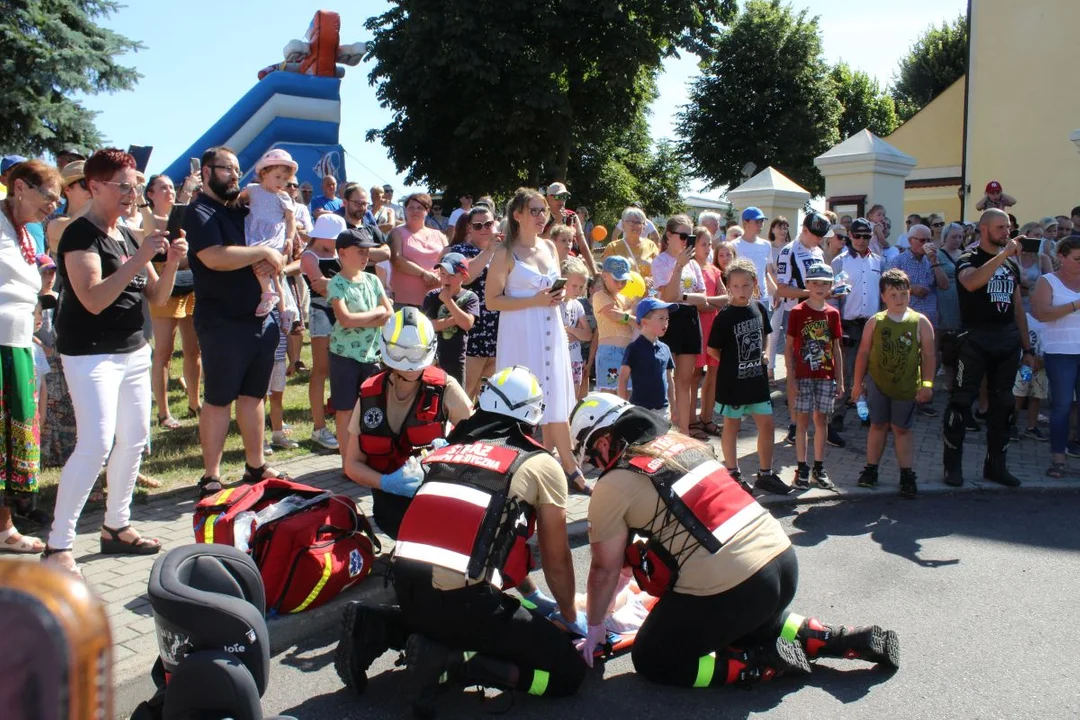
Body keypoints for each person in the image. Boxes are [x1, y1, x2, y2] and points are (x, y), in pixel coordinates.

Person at [570, 393, 900, 685]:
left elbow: (604, 571)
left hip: (736, 586)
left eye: (593, 458)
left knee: (652, 658)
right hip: (782, 563)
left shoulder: (613, 485)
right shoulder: (685, 444)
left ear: (602, 441)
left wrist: (596, 625)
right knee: (741, 621)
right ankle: (835, 638)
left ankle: (757, 665)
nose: (598, 466)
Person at [338, 366, 585, 717]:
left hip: (406, 589)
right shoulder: (540, 464)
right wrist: (569, 616)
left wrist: (529, 597)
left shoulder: (445, 449)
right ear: (533, 416)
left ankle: (376, 625)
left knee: (447, 614)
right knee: (568, 673)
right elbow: (556, 558)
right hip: (463, 604)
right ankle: (456, 663)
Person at [45, 148, 186, 575]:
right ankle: (58, 546)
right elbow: (92, 299)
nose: (132, 194)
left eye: (136, 186)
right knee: (95, 444)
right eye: (124, 186)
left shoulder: (126, 234)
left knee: (133, 439)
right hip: (90, 355)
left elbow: (158, 298)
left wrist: (173, 262)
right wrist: (142, 258)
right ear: (94, 186)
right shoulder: (79, 235)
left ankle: (116, 526)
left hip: (132, 350)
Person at [183, 146, 288, 499]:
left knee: (253, 395)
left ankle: (255, 465)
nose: (233, 174)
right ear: (206, 172)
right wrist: (262, 254)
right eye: (226, 168)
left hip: (261, 316)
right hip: (222, 321)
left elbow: (276, 240)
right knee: (218, 398)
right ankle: (211, 475)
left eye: (237, 169)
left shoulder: (244, 208)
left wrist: (279, 252)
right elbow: (213, 258)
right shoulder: (198, 211)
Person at [487, 188, 588, 494]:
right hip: (521, 332)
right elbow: (492, 301)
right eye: (534, 210)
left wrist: (557, 297)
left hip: (551, 327)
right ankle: (516, 471)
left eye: (544, 210)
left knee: (555, 398)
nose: (542, 216)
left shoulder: (548, 247)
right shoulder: (505, 253)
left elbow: (553, 289)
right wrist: (534, 299)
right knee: (522, 401)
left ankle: (570, 469)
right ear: (517, 215)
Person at [342, 308, 472, 538]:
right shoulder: (370, 394)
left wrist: (453, 454)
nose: (408, 364)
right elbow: (352, 465)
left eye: (416, 354)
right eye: (399, 355)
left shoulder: (446, 388)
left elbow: (479, 444)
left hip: (435, 496)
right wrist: (387, 482)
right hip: (389, 503)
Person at [943, 209, 1032, 488]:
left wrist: (1027, 348)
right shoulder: (968, 259)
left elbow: (1018, 308)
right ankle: (952, 467)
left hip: (1006, 341)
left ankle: (996, 465)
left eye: (1008, 227)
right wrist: (1004, 255)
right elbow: (971, 283)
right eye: (1000, 227)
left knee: (1004, 404)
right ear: (984, 229)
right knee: (960, 403)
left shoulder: (1012, 266)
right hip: (975, 339)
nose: (1007, 232)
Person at [0, 160, 61, 553]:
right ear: (20, 187)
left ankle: (4, 528)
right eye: (48, 196)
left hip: (19, 344)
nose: (53, 205)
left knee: (12, 440)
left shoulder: (27, 232)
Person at [850, 269, 936, 498]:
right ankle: (871, 469)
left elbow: (928, 355)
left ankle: (907, 474)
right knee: (877, 425)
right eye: (893, 295)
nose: (899, 299)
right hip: (878, 383)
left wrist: (927, 384)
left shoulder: (920, 322)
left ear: (910, 294)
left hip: (906, 386)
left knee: (901, 428)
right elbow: (863, 354)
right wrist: (857, 384)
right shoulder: (875, 322)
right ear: (883, 297)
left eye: (904, 294)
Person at [707, 259, 789, 495]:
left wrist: (763, 351)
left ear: (754, 284)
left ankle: (765, 474)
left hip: (757, 381)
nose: (741, 291)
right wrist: (731, 363)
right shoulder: (724, 316)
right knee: (732, 426)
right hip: (733, 383)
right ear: (729, 287)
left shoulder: (759, 309)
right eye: (736, 286)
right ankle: (732, 472)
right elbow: (713, 349)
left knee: (767, 424)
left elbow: (764, 334)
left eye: (745, 285)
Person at [139, 174, 201, 429]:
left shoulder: (184, 217)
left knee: (193, 350)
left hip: (188, 285)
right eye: (162, 188)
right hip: (163, 288)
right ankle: (163, 412)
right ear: (150, 194)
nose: (169, 191)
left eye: (170, 187)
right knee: (163, 352)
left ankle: (195, 403)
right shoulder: (147, 218)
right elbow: (151, 233)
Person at [328, 227, 394, 456]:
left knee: (371, 408)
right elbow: (345, 319)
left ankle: (367, 455)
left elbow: (389, 314)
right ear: (342, 253)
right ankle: (347, 460)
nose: (366, 257)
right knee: (345, 409)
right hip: (343, 356)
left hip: (372, 355)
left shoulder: (373, 280)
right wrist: (375, 315)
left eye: (368, 252)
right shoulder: (336, 283)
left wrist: (367, 318)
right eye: (360, 252)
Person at [785, 263, 844, 491]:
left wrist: (840, 379)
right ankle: (802, 467)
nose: (819, 287)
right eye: (815, 282)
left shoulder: (833, 314)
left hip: (826, 375)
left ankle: (819, 467)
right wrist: (790, 377)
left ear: (830, 286)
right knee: (802, 421)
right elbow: (789, 347)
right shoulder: (798, 312)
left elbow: (836, 348)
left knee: (822, 420)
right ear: (807, 284)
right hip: (803, 375)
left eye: (824, 283)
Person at [651, 214, 707, 434]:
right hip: (669, 319)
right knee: (666, 379)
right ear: (669, 236)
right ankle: (665, 430)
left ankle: (684, 431)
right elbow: (667, 297)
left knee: (686, 381)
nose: (686, 241)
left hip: (690, 321)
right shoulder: (661, 261)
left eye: (690, 236)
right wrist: (678, 269)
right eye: (683, 235)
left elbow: (703, 299)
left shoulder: (694, 263)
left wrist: (682, 297)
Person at [1031, 236, 1080, 478]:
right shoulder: (1048, 281)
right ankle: (1058, 459)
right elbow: (1041, 313)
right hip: (1061, 353)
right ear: (1061, 257)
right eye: (1077, 259)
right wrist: (1076, 305)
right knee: (1061, 406)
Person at [887, 223, 947, 417]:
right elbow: (888, 285)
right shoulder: (898, 261)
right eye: (922, 240)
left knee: (928, 359)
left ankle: (923, 399)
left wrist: (935, 261)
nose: (926, 244)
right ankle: (902, 399)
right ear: (911, 241)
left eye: (929, 240)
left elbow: (944, 284)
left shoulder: (933, 260)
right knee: (904, 357)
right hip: (905, 318)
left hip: (929, 318)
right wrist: (912, 289)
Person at [301, 213, 348, 451]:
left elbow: (333, 285)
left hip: (341, 313)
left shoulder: (336, 253)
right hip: (322, 314)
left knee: (340, 367)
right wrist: (347, 284)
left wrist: (340, 285)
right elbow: (319, 287)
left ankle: (341, 421)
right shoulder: (309, 256)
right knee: (320, 369)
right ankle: (319, 427)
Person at [447, 205, 501, 399]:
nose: (485, 228)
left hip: (498, 326)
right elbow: (466, 277)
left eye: (488, 223)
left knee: (488, 393)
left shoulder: (503, 251)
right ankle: (457, 428)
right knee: (465, 390)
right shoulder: (459, 250)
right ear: (469, 228)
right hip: (473, 327)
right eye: (478, 226)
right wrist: (488, 251)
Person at [238, 149, 297, 318]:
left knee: (273, 270)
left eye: (285, 179)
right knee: (264, 267)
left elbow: (290, 219)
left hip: (272, 235)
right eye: (277, 177)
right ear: (264, 173)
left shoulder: (283, 197)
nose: (281, 182)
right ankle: (280, 305)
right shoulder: (253, 189)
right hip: (256, 232)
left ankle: (274, 298)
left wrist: (290, 238)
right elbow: (238, 200)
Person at [421, 252, 478, 384]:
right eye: (443, 274)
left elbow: (467, 324)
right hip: (432, 357)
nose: (446, 280)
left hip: (456, 358)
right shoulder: (432, 296)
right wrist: (455, 319)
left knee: (455, 391)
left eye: (452, 276)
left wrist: (448, 301)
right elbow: (428, 326)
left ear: (464, 276)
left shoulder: (470, 298)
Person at [617, 298, 675, 421]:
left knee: (661, 440)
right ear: (644, 322)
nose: (665, 322)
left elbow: (669, 379)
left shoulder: (665, 348)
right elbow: (623, 378)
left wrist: (673, 407)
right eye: (661, 318)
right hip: (641, 410)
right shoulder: (633, 348)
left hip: (662, 410)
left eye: (667, 319)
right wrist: (622, 407)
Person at [692, 227, 724, 438]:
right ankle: (691, 422)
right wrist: (711, 303)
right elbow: (696, 303)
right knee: (694, 375)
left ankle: (707, 418)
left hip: (714, 327)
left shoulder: (714, 270)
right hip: (696, 327)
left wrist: (707, 302)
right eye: (703, 244)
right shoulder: (691, 268)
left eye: (710, 244)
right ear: (693, 245)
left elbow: (725, 298)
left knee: (713, 374)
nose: (708, 248)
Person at [390, 193, 447, 309]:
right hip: (406, 300)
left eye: (420, 208)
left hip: (436, 298)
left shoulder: (439, 235)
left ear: (427, 211)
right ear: (405, 210)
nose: (415, 211)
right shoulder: (397, 232)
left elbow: (449, 260)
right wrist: (423, 274)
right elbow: (396, 260)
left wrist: (441, 277)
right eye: (411, 207)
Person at [592, 256, 636, 393]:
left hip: (628, 352)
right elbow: (617, 316)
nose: (620, 284)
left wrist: (628, 314)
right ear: (604, 276)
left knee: (627, 393)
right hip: (610, 353)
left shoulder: (624, 298)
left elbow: (625, 316)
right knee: (610, 394)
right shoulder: (599, 296)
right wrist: (633, 311)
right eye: (617, 280)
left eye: (624, 281)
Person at [541, 182, 597, 275]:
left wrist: (594, 271)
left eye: (565, 197)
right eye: (558, 197)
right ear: (548, 199)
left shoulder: (572, 216)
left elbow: (583, 246)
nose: (562, 201)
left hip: (571, 263)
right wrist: (557, 221)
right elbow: (540, 243)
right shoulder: (541, 216)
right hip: (548, 263)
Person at [1009, 309, 1047, 443]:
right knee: (1019, 394)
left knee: (1036, 396)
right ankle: (1011, 424)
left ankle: (1032, 427)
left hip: (1041, 366)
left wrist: (1041, 361)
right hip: (1025, 366)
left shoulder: (1049, 320)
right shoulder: (1025, 318)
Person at [936, 223, 965, 392]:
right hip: (945, 302)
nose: (958, 240)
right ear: (945, 237)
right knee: (946, 344)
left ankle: (959, 381)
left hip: (962, 303)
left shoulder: (964, 255)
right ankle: (949, 382)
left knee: (960, 343)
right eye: (954, 237)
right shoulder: (939, 255)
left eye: (960, 237)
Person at [561, 256, 593, 400]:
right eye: (574, 286)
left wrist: (571, 330)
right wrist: (576, 333)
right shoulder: (554, 304)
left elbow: (588, 335)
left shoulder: (578, 305)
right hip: (558, 359)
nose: (578, 290)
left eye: (581, 287)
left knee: (572, 400)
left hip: (575, 359)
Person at [601, 206, 661, 281]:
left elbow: (659, 271)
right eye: (631, 222)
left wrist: (650, 279)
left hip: (646, 291)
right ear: (623, 225)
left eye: (639, 222)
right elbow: (606, 274)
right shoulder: (613, 247)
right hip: (621, 291)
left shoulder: (651, 245)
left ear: (643, 227)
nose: (635, 225)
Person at [1017, 222, 1053, 312]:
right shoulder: (1012, 257)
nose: (1039, 239)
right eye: (1036, 235)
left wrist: (1029, 286)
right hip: (1016, 303)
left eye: (1041, 236)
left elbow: (1051, 283)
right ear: (1024, 235)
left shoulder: (1043, 258)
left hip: (1036, 304)